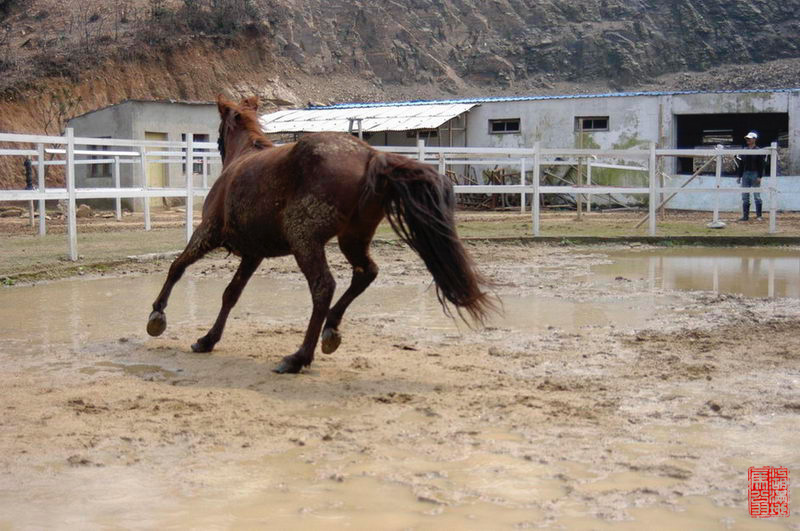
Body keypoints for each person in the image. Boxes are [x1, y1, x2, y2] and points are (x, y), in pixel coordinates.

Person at [736, 131, 765, 221]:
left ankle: (759, 215)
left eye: (749, 138)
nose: (747, 140)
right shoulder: (744, 150)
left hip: (755, 173)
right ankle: (745, 216)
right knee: (745, 195)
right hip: (745, 173)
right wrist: (739, 176)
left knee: (756, 195)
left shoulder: (758, 151)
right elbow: (741, 164)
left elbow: (761, 165)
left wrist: (760, 176)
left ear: (754, 139)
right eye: (747, 138)